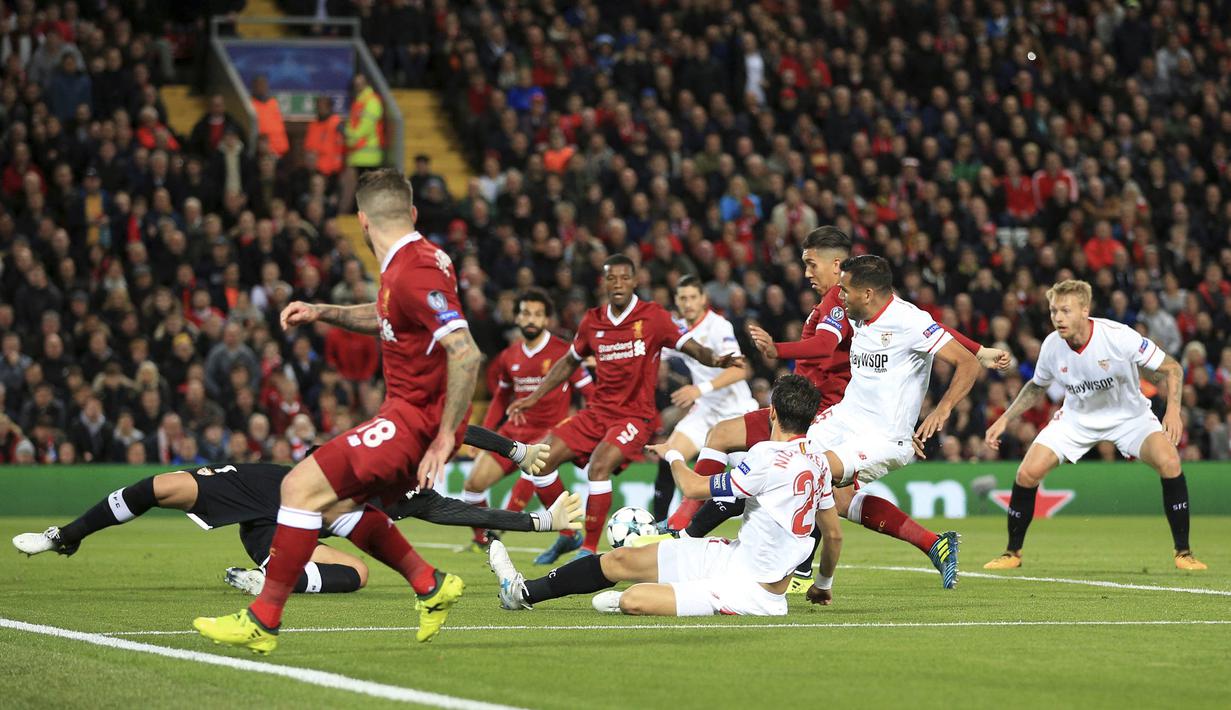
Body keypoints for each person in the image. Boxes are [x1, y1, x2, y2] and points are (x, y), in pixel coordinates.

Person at [191, 169, 481, 654]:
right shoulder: (415, 262)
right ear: (410, 213)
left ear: (362, 221)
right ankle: (430, 584)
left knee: (297, 488)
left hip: (413, 421)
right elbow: (393, 311)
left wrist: (444, 437)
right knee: (340, 507)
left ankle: (263, 621)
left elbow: (467, 352)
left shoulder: (414, 270)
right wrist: (325, 311)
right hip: (408, 414)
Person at [658, 228, 1006, 593]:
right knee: (796, 474)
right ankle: (913, 547)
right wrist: (979, 349)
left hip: (881, 435)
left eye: (814, 266)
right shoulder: (859, 310)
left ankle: (703, 539)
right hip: (840, 418)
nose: (838, 294)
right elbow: (929, 328)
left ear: (865, 291)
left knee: (805, 472)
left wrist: (943, 408)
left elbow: (948, 350)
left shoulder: (901, 319)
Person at [12, 427, 576, 596]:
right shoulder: (396, 445)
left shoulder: (417, 496)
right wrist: (516, 450)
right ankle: (67, 534)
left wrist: (542, 522)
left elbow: (459, 515)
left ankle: (265, 579)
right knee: (162, 484)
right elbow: (455, 429)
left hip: (293, 528)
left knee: (355, 575)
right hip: (272, 485)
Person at [488, 374, 842, 617]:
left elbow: (692, 488)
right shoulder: (819, 461)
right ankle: (522, 592)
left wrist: (673, 453)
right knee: (622, 559)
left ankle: (665, 592)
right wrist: (822, 585)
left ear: (772, 413)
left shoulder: (766, 455)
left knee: (633, 600)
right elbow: (833, 534)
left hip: (752, 592)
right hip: (735, 558)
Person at [507, 254, 737, 563]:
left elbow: (691, 347)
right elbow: (568, 363)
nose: (617, 284)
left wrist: (716, 359)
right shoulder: (592, 320)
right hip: (597, 412)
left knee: (599, 466)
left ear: (635, 280)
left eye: (623, 278)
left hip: (635, 416)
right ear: (603, 282)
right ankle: (568, 534)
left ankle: (587, 550)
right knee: (539, 461)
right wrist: (534, 396)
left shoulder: (653, 317)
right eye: (611, 278)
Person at [983, 279, 1206, 571]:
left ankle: (1184, 553)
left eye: (1065, 311)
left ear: (1084, 310)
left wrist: (1174, 411)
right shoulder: (1052, 345)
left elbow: (1172, 368)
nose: (1058, 318)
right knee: (1027, 473)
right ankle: (1012, 553)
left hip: (1129, 417)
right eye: (1053, 311)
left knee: (1170, 463)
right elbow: (1037, 387)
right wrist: (1004, 418)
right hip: (1077, 419)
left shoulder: (1118, 336)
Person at [460, 288, 592, 552]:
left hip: (547, 434)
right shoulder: (510, 356)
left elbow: (589, 393)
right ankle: (485, 541)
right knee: (472, 486)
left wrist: (585, 428)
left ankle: (567, 533)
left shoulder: (564, 353)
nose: (531, 319)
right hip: (513, 433)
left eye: (538, 315)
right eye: (526, 314)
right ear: (517, 318)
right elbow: (500, 398)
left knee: (534, 474)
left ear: (547, 320)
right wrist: (483, 436)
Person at [652, 274, 756, 522]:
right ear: (676, 301)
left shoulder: (718, 326)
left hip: (736, 411)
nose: (687, 303)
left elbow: (740, 369)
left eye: (692, 298)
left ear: (703, 300)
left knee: (751, 482)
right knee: (669, 456)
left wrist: (700, 389)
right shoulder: (677, 329)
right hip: (706, 411)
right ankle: (657, 529)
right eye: (682, 298)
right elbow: (653, 354)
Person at [249, 74, 288, 158]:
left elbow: (279, 127)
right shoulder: (250, 104)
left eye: (264, 85)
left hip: (280, 151)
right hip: (262, 152)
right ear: (254, 87)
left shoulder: (273, 103)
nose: (262, 88)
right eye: (259, 85)